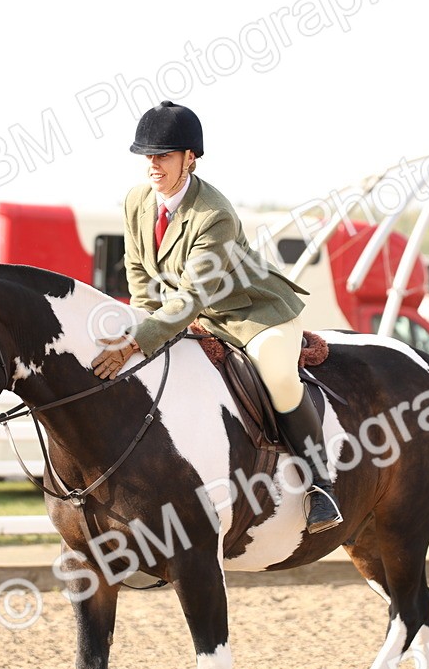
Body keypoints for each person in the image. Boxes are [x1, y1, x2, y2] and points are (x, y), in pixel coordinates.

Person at [90, 100, 342, 534]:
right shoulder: (136, 201)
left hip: (253, 313)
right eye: (148, 156)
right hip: (192, 315)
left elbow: (190, 296)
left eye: (163, 156)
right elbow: (138, 272)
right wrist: (139, 320)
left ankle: (322, 485)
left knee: (279, 379)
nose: (153, 165)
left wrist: (136, 341)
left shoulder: (214, 214)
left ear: (190, 158)